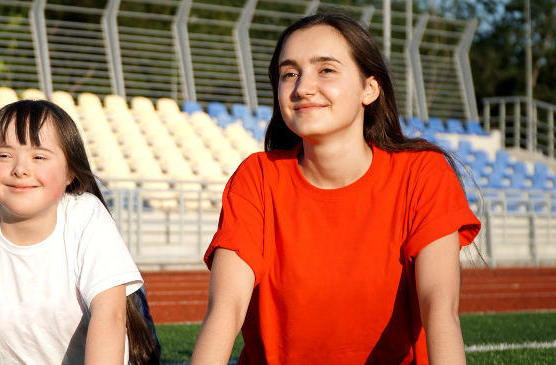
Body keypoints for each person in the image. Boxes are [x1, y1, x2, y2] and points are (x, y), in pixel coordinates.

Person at [190, 13, 481, 365]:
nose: (302, 87)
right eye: (289, 73)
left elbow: (439, 306)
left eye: (325, 69)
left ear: (369, 88)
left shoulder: (422, 173)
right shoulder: (257, 177)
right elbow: (226, 306)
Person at [0, 100, 159, 365]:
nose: (20, 169)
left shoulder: (85, 216)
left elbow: (110, 315)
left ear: (70, 172)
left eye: (39, 157)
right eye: (4, 155)